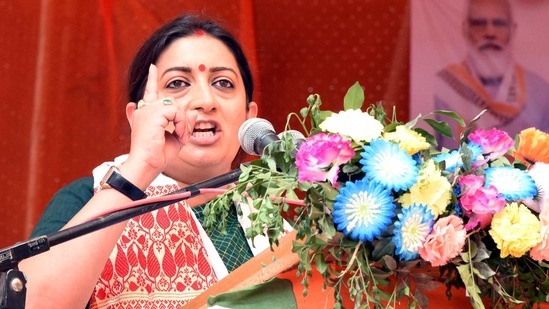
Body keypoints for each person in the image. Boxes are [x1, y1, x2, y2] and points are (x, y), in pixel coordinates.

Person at [18, 13, 263, 308]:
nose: (205, 101)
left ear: (250, 116)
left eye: (223, 82)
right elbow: (29, 303)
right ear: (139, 117)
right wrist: (141, 166)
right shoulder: (86, 199)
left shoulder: (282, 221)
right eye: (177, 83)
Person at [433, 0, 549, 149]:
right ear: (465, 29)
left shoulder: (540, 91)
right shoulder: (444, 86)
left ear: (512, 29)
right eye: (479, 23)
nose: (489, 33)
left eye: (499, 23)